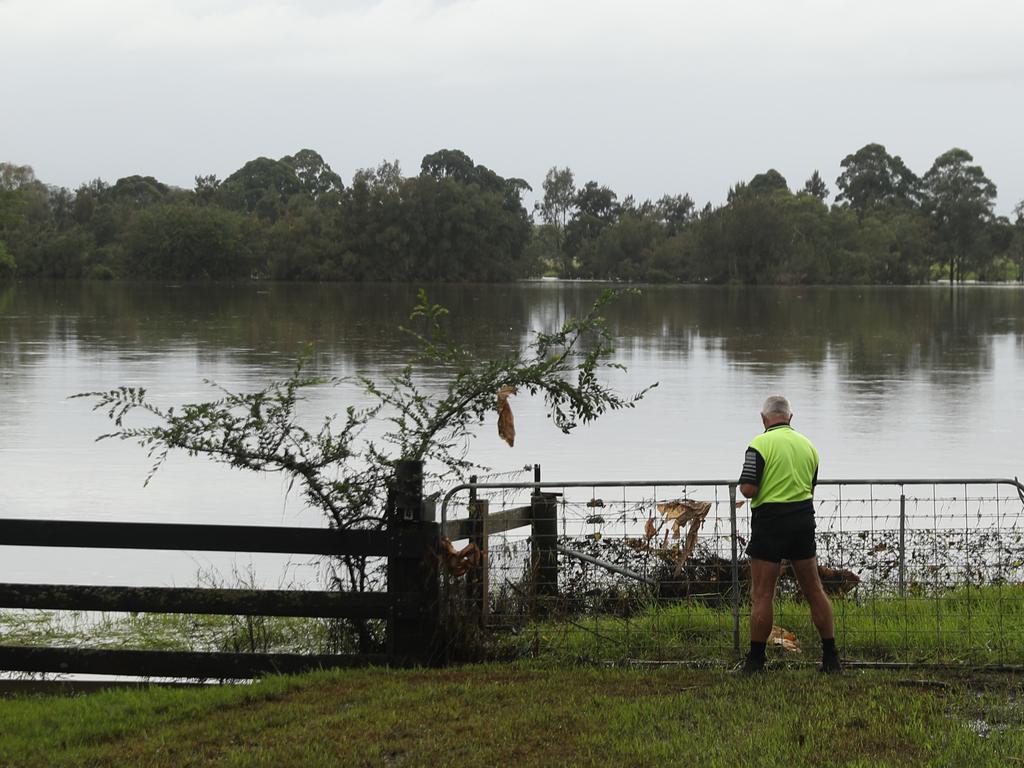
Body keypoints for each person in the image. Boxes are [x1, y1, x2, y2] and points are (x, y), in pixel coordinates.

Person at [737, 395, 841, 674]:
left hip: (770, 523)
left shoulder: (759, 444)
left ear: (763, 419)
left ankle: (755, 662)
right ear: (790, 418)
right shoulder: (809, 447)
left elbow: (748, 489)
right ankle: (831, 658)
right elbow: (810, 486)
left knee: (762, 595)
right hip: (802, 521)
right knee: (814, 590)